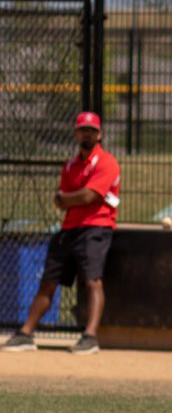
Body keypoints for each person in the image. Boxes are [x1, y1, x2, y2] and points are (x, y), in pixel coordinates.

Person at [5, 111, 120, 355]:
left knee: (92, 281)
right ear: (76, 133)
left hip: (96, 227)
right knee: (48, 281)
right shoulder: (70, 165)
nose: (86, 134)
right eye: (82, 129)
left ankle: (90, 337)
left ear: (99, 134)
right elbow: (61, 200)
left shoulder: (107, 162)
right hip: (69, 229)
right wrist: (69, 198)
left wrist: (67, 198)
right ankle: (26, 334)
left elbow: (90, 195)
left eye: (91, 130)